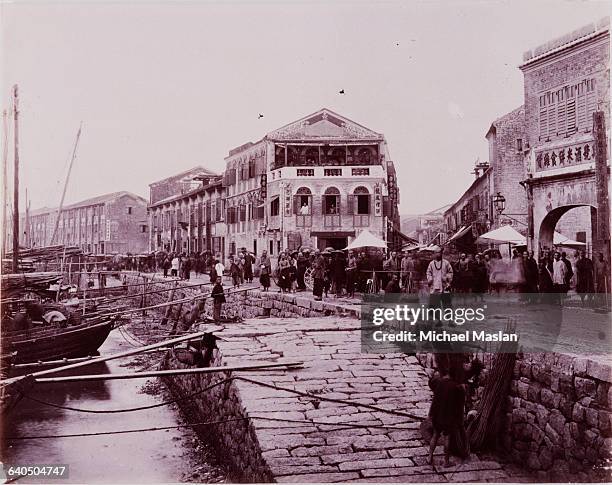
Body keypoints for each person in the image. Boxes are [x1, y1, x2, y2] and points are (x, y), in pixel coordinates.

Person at [427, 365, 467, 466]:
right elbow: (459, 404)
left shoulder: (439, 382)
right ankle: (446, 461)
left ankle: (429, 457)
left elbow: (435, 399)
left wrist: (430, 414)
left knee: (435, 435)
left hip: (437, 415)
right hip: (448, 417)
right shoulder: (456, 387)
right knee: (447, 438)